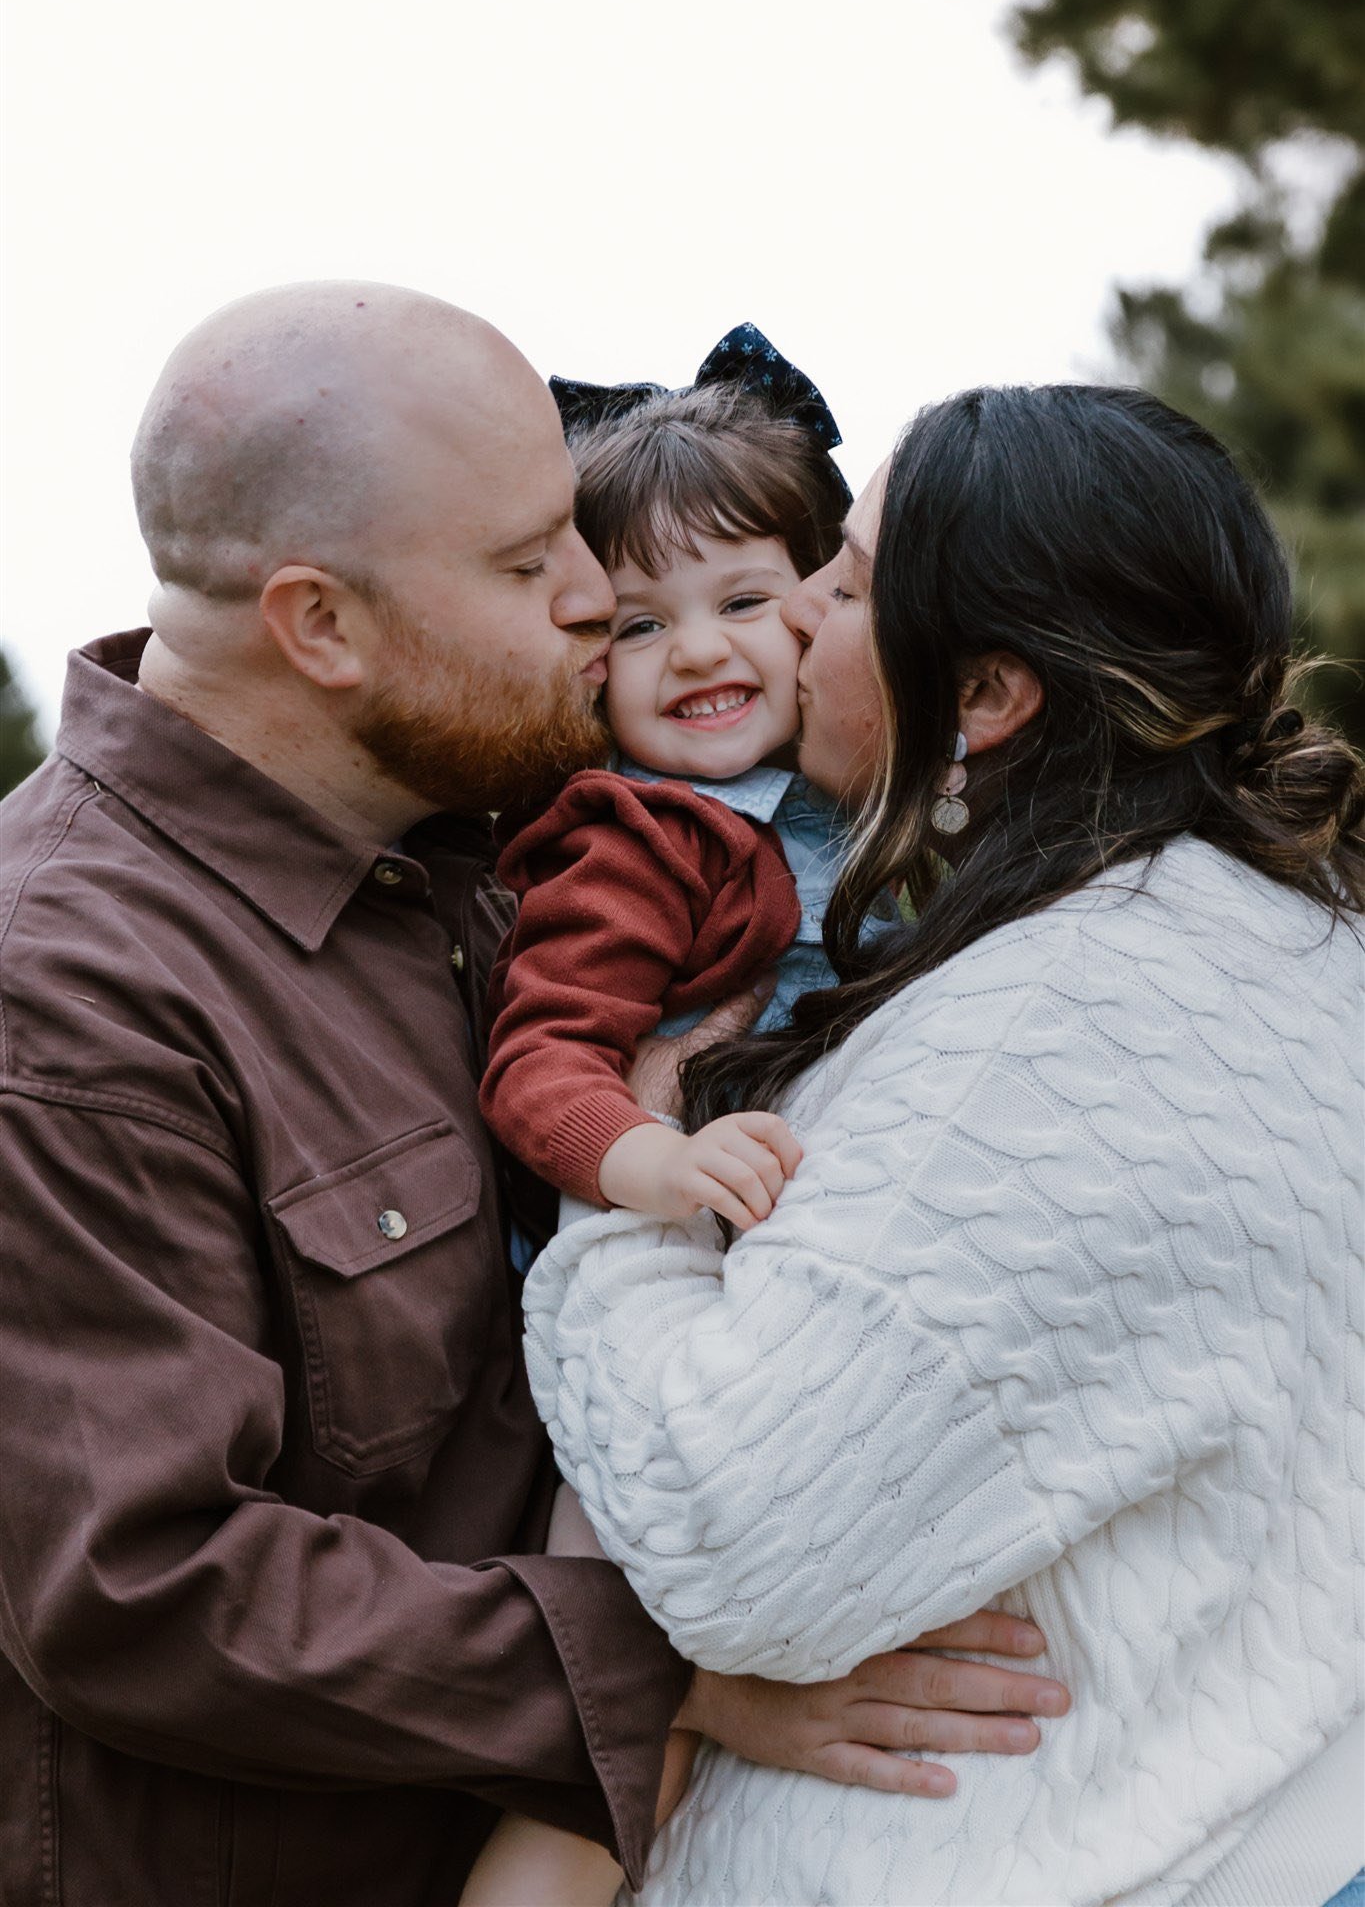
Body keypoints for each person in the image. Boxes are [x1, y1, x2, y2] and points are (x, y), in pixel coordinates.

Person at [0, 284, 1069, 1907]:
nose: (597, 597)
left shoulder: (494, 845)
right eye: (530, 566)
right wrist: (679, 1667)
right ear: (322, 625)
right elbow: (140, 1585)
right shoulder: (64, 999)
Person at [522, 384, 1365, 1905]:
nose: (796, 631)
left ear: (980, 695)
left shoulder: (1062, 1013)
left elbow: (736, 1548)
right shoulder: (1263, 939)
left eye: (837, 585)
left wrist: (625, 1195)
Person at [480, 325, 899, 1243]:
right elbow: (541, 1058)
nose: (699, 649)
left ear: (815, 602)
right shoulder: (639, 837)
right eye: (640, 627)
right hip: (675, 1244)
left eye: (742, 602)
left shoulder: (856, 792)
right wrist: (659, 1160)